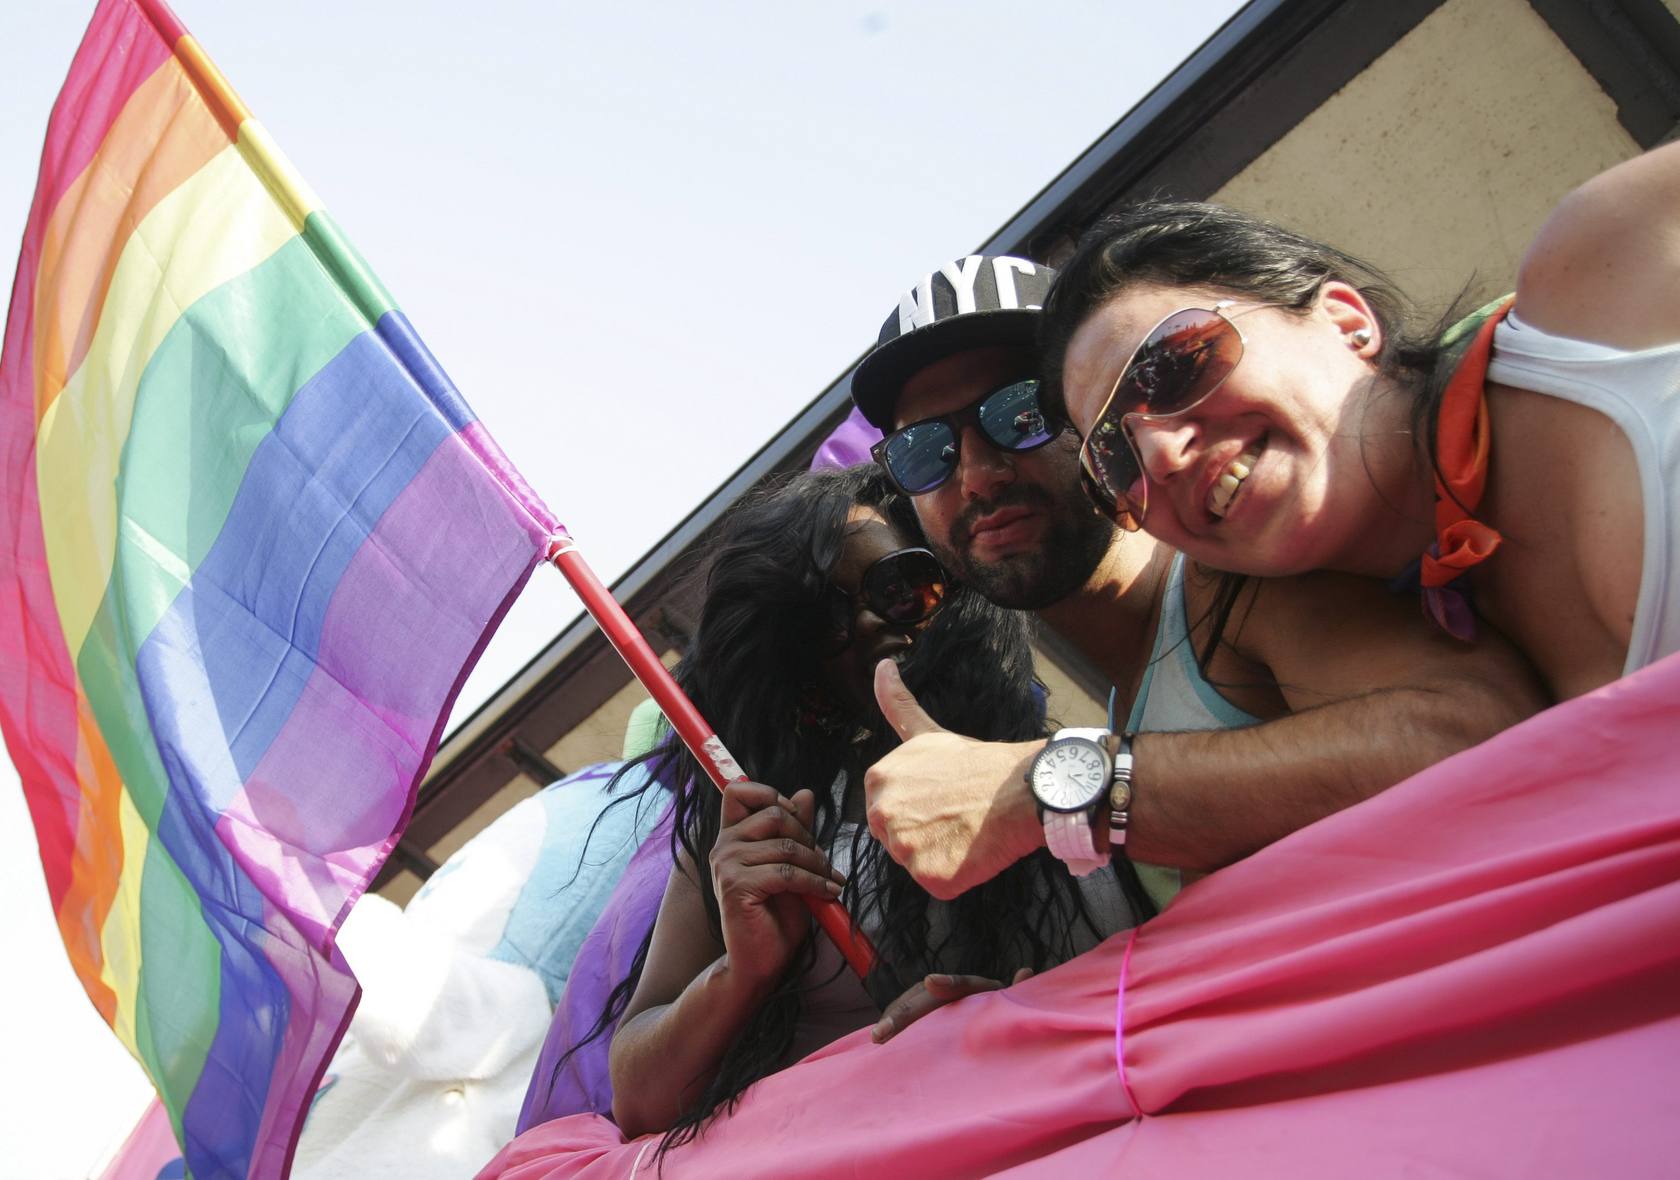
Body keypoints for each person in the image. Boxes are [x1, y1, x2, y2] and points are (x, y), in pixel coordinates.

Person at [848, 253, 1544, 908]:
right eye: (922, 452)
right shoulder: (1135, 699)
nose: (975, 475)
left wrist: (1049, 787)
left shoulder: (1237, 583)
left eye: (1018, 414)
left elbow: (1479, 737)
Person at [549, 465, 1148, 1149]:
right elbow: (641, 1102)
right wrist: (742, 971)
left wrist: (1017, 1021)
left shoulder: (1081, 771)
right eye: (822, 617)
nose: (869, 620)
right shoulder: (764, 830)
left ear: (953, 586)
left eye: (899, 588)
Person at [1040, 143, 1680, 703]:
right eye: (1112, 460)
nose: (1157, 452)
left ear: (1347, 320)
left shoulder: (1605, 272)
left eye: (1174, 363)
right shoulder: (1399, 677)